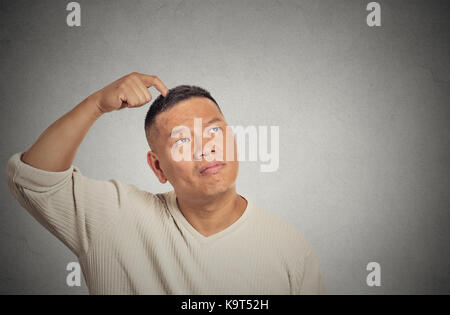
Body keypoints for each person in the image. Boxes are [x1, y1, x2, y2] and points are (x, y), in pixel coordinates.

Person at [6, 72, 327, 294]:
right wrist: (97, 105)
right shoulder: (114, 219)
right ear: (158, 167)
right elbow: (36, 180)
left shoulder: (288, 250)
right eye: (183, 140)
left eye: (214, 131)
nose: (206, 148)